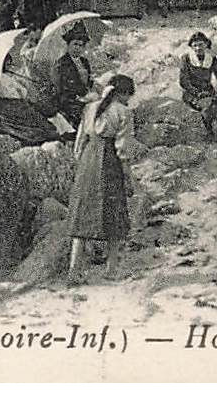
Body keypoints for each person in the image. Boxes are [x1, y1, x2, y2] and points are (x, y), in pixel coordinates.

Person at [67, 74, 135, 284]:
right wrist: (128, 177)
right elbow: (122, 148)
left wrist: (81, 163)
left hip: (89, 158)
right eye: (128, 95)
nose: (128, 100)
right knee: (114, 213)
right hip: (109, 161)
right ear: (123, 93)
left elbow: (80, 141)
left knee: (83, 212)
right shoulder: (123, 112)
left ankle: (74, 271)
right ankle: (111, 269)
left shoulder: (90, 108)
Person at [0, 36, 71, 146]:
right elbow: (16, 94)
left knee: (45, 111)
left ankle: (59, 131)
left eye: (9, 62)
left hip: (16, 106)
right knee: (37, 122)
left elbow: (22, 92)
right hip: (9, 108)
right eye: (7, 63)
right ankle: (51, 135)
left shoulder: (9, 77)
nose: (9, 65)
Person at [54, 22, 95, 128]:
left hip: (84, 95)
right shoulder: (62, 63)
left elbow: (89, 82)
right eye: (75, 44)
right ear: (68, 45)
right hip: (68, 100)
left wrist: (88, 84)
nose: (78, 48)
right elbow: (61, 87)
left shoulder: (84, 62)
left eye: (81, 45)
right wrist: (79, 97)